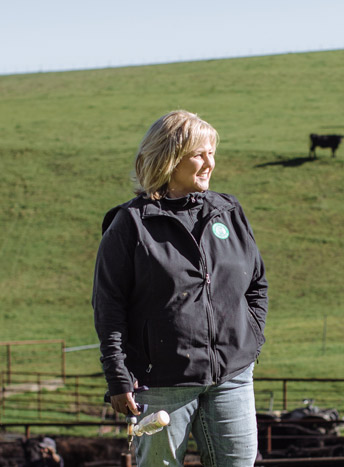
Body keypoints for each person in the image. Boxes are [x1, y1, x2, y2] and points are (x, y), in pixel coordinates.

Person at [93, 110, 268, 466]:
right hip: (160, 386)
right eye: (199, 154)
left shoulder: (228, 211)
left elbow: (256, 284)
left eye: (212, 152)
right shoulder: (130, 225)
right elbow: (109, 307)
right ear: (170, 158)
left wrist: (250, 339)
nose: (210, 163)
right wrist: (118, 375)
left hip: (231, 378)